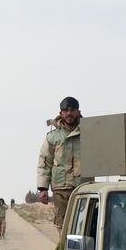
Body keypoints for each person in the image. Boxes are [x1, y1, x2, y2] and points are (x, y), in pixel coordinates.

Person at [37, 96, 88, 229]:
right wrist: (43, 188)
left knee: (84, 226)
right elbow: (44, 162)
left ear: (78, 112)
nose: (69, 113)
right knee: (63, 226)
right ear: (61, 113)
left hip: (84, 187)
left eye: (72, 110)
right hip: (61, 189)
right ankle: (64, 249)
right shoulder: (53, 137)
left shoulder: (89, 132)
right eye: (65, 110)